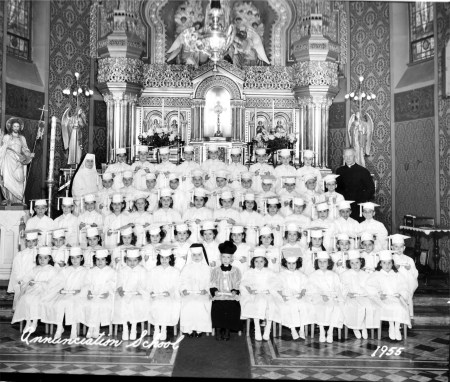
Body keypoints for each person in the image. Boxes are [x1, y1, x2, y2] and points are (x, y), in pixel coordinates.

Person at [11, 246, 59, 334]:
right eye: (40, 257)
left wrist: (39, 283)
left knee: (36, 299)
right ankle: (28, 322)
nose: (42, 260)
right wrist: (25, 282)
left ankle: (34, 322)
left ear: (49, 259)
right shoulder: (35, 269)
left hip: (45, 291)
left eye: (45, 258)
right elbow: (27, 278)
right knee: (25, 298)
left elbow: (54, 283)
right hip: (34, 290)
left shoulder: (52, 270)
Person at [366, 250, 411, 341]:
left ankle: (397, 328)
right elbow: (370, 286)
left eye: (389, 263)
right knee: (389, 306)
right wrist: (379, 294)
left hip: (395, 297)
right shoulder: (376, 274)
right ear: (380, 264)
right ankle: (391, 326)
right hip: (383, 298)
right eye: (384, 263)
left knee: (399, 307)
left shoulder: (397, 274)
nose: (387, 265)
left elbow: (403, 286)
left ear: (392, 264)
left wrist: (400, 294)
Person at [44, 247, 88, 340]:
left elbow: (87, 284)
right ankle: (60, 327)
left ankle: (73, 329)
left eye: (77, 257)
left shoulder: (85, 271)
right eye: (72, 258)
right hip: (66, 293)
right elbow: (58, 280)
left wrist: (80, 291)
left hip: (79, 295)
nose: (75, 260)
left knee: (71, 303)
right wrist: (60, 288)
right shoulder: (66, 270)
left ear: (81, 258)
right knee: (59, 303)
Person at [239, 247, 282, 341]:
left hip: (267, 293)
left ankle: (268, 328)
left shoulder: (269, 272)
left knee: (271, 305)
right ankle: (257, 328)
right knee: (259, 303)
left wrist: (270, 290)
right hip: (255, 294)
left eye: (261, 261)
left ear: (265, 262)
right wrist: (250, 290)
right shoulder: (249, 272)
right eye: (256, 261)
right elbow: (244, 283)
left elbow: (276, 282)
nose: (259, 264)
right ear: (253, 262)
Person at [340, 249, 379, 339]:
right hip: (351, 297)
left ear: (361, 262)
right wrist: (347, 293)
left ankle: (364, 326)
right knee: (355, 307)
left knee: (369, 306)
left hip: (363, 296)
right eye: (352, 263)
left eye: (357, 262)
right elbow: (342, 286)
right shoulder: (345, 274)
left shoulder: (365, 274)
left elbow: (369, 287)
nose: (355, 265)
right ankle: (356, 328)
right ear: (349, 264)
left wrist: (367, 293)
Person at [277, 248, 314, 340]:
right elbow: (277, 287)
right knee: (291, 307)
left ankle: (301, 329)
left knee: (303, 305)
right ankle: (293, 329)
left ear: (297, 264)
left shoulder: (301, 275)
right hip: (287, 296)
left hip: (299, 296)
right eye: (289, 263)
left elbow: (305, 286)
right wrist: (282, 296)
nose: (291, 266)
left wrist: (302, 294)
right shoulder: (281, 275)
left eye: (293, 263)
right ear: (285, 263)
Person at [113, 247, 149, 341]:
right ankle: (125, 328)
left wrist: (139, 291)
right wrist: (120, 290)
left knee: (135, 303)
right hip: (125, 293)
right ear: (126, 260)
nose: (132, 263)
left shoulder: (142, 270)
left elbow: (144, 284)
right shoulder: (122, 270)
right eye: (129, 260)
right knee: (122, 303)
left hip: (137, 294)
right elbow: (118, 282)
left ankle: (133, 327)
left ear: (139, 260)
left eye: (135, 260)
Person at [308, 251, 344, 343]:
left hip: (332, 296)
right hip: (318, 297)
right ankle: (321, 330)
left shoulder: (334, 275)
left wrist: (334, 296)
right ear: (317, 263)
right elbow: (311, 288)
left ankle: (330, 331)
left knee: (337, 307)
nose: (322, 264)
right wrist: (321, 295)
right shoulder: (313, 275)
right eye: (320, 262)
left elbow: (338, 287)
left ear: (328, 263)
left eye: (325, 262)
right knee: (320, 307)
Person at [148, 244, 181, 341]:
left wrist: (170, 293)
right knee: (156, 303)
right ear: (159, 258)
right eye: (162, 257)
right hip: (156, 295)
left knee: (166, 304)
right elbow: (149, 284)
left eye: (167, 258)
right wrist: (151, 292)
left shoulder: (175, 271)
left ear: (170, 259)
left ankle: (164, 328)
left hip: (170, 296)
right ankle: (156, 328)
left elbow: (176, 286)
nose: (164, 260)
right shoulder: (154, 270)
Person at [210, 241, 242, 341]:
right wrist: (215, 291)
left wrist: (234, 291)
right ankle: (219, 329)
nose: (226, 259)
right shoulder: (215, 270)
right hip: (219, 295)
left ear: (232, 259)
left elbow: (238, 282)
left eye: (228, 257)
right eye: (224, 257)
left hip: (230, 296)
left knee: (232, 307)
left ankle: (227, 330)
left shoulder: (236, 270)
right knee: (217, 307)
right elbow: (212, 282)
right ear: (220, 257)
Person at [179, 244, 212, 337]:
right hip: (189, 293)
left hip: (202, 294)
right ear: (190, 255)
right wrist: (183, 290)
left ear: (203, 255)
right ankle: (188, 329)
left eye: (199, 255)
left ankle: (199, 329)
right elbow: (181, 281)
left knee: (200, 304)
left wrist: (206, 290)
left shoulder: (207, 268)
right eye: (194, 255)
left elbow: (210, 282)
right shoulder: (186, 267)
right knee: (189, 303)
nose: (196, 257)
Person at [82, 248, 116, 339]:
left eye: (102, 259)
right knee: (90, 304)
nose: (100, 262)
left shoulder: (111, 271)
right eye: (97, 259)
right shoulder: (91, 271)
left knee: (99, 305)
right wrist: (89, 292)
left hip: (105, 295)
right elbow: (87, 282)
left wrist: (108, 293)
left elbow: (113, 283)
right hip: (93, 294)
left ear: (107, 260)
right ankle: (90, 327)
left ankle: (95, 328)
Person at [335, 147, 375, 222]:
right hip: (344, 206)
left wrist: (361, 199)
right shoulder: (339, 171)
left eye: (350, 156)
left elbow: (371, 189)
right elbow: (337, 189)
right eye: (346, 156)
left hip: (357, 206)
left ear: (354, 156)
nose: (348, 158)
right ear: (343, 157)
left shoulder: (363, 171)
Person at [0, 117, 34, 204]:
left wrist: (29, 155)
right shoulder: (7, 137)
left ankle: (18, 199)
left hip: (18, 161)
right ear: (11, 127)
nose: (16, 128)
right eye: (14, 126)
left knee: (20, 179)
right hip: (8, 161)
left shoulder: (22, 138)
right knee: (7, 179)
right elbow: (2, 149)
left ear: (19, 128)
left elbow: (25, 149)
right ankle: (9, 199)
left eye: (17, 126)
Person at [7, 230, 40, 311]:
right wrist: (22, 280)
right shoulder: (20, 255)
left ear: (37, 241)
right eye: (29, 241)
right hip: (23, 281)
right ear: (25, 242)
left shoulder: (40, 253)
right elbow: (16, 271)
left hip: (37, 282)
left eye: (33, 241)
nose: (31, 243)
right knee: (22, 291)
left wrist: (36, 280)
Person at [389, 234, 418, 318]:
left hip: (407, 284)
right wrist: (395, 268)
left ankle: (407, 318)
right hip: (395, 285)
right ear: (392, 247)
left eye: (401, 247)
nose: (398, 249)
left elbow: (415, 273)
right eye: (396, 247)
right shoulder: (390, 258)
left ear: (404, 248)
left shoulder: (409, 259)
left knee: (406, 298)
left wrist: (409, 269)